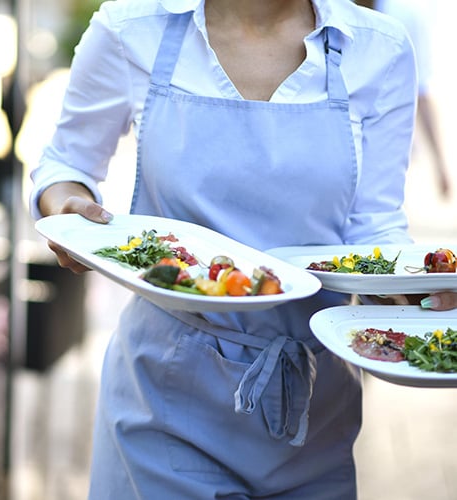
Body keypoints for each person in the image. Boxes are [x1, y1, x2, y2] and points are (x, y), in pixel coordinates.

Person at [30, 0, 457, 498]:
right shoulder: (131, 28)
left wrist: (408, 290)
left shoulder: (379, 47)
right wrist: (69, 210)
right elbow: (65, 164)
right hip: (166, 396)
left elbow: (374, 225)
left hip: (316, 405)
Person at [357, 0, 451, 197]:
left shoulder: (404, 18)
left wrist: (440, 164)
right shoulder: (318, 11)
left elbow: (420, 90)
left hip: (383, 154)